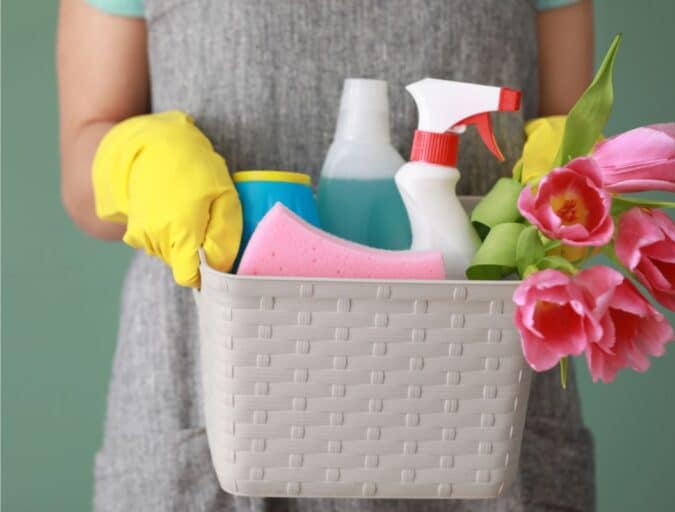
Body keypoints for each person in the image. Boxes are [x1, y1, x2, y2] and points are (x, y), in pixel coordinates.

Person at [57, 0, 596, 510]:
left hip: (477, 392)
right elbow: (82, 175)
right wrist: (135, 164)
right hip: (204, 379)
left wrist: (569, 171)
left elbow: (576, 124)